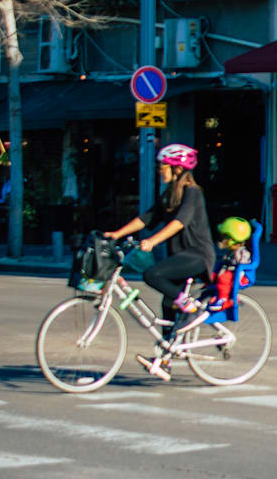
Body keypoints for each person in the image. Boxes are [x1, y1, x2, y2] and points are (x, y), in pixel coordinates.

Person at [105, 143, 213, 381]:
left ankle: (191, 307)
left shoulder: (192, 193)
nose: (159, 170)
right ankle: (165, 360)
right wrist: (116, 234)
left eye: (163, 166)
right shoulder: (169, 194)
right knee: (167, 305)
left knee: (152, 275)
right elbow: (147, 218)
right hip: (179, 257)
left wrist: (152, 241)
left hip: (197, 256)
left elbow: (179, 223)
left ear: (177, 169)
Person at [176, 217, 253, 316]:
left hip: (238, 276)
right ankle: (202, 296)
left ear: (233, 238)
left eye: (225, 237)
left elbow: (242, 267)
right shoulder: (233, 251)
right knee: (211, 275)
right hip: (229, 272)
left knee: (223, 278)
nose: (222, 239)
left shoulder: (243, 253)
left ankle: (223, 299)